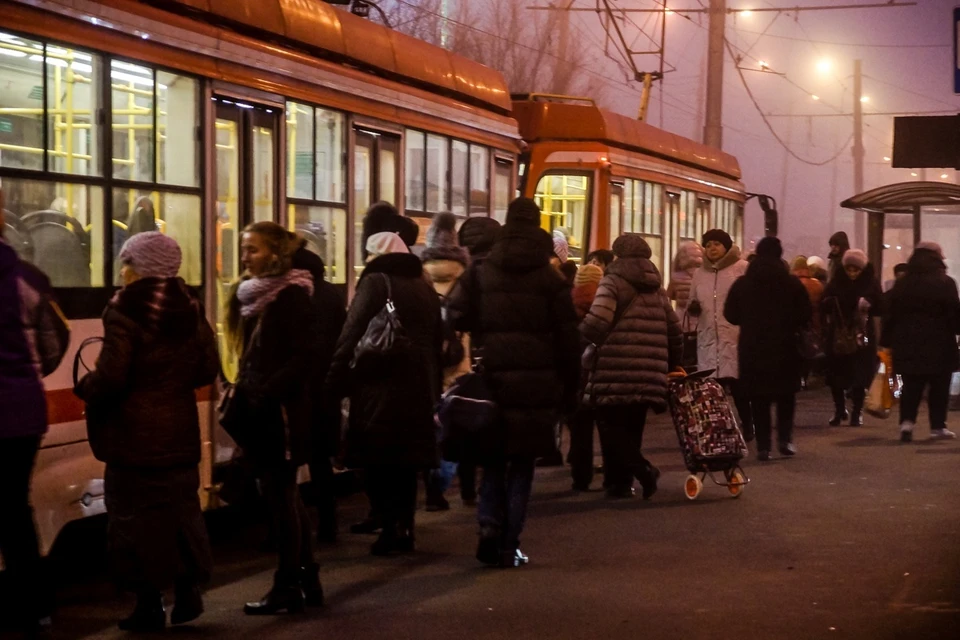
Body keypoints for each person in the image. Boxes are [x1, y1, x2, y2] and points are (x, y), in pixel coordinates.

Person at [74, 232, 218, 630]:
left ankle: (148, 604)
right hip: (178, 432)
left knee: (132, 522)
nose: (123, 271)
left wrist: (87, 387)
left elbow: (112, 375)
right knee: (182, 513)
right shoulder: (190, 306)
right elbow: (208, 368)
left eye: (127, 262)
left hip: (132, 437)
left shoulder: (124, 309)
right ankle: (188, 589)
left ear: (141, 267)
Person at [448, 197, 580, 568]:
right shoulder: (551, 279)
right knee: (522, 465)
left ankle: (489, 525)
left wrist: (481, 330)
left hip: (493, 381)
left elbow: (454, 313)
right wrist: (570, 390)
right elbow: (570, 341)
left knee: (493, 459)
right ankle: (510, 545)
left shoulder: (481, 271)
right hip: (538, 386)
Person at [225, 222, 321, 615]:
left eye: (254, 250)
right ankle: (306, 579)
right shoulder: (259, 296)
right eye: (244, 249)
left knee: (281, 499)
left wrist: (266, 390)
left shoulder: (290, 297)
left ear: (276, 255)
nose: (245, 257)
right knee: (286, 496)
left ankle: (288, 585)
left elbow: (304, 357)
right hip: (268, 409)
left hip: (279, 414)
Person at [328, 232, 442, 556]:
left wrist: (334, 380)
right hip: (420, 384)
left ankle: (390, 528)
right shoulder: (423, 283)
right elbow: (438, 337)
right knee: (405, 463)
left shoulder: (376, 281)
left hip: (381, 384)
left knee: (379, 459)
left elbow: (351, 332)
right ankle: (405, 527)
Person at [0, 188, 69, 637]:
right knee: (14, 510)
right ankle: (34, 607)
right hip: (22, 410)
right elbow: (53, 344)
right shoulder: (29, 278)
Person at [580, 234, 682, 497]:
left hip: (614, 365)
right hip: (649, 369)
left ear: (617, 255)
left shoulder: (611, 281)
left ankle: (640, 470)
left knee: (610, 424)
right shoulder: (657, 288)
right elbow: (674, 330)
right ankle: (620, 483)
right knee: (632, 427)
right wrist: (672, 362)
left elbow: (597, 322)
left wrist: (579, 337)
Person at [725, 238, 812, 461]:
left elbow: (730, 315)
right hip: (785, 347)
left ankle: (763, 446)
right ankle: (785, 440)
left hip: (752, 348)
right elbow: (805, 314)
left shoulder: (743, 284)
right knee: (785, 396)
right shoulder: (792, 283)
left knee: (758, 398)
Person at [291, 241, 346, 545]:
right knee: (320, 460)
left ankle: (285, 531)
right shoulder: (332, 294)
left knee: (286, 461)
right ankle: (328, 524)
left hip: (300, 387)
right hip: (326, 386)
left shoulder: (294, 295)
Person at [881, 242, 960, 442]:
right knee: (939, 386)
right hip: (939, 343)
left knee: (911, 385)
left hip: (907, 342)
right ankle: (937, 426)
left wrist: (886, 340)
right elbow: (953, 314)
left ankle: (907, 423)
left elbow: (891, 314)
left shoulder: (903, 283)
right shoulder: (945, 282)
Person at [421, 212, 470, 512]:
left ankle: (430, 486)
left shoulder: (421, 275)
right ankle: (442, 484)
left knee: (432, 429)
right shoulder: (464, 276)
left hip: (429, 364)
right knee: (454, 429)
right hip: (458, 363)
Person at [451, 216, 502, 506]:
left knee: (467, 418)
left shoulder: (468, 274)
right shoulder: (506, 272)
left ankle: (469, 488)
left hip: (471, 358)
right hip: (504, 361)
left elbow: (454, 314)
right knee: (495, 425)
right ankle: (491, 489)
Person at [688, 229, 752, 439]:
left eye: (716, 244)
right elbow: (691, 301)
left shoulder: (741, 268)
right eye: (707, 245)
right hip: (708, 337)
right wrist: (694, 308)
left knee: (739, 386)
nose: (712, 248)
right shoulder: (699, 273)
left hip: (734, 336)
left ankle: (747, 424)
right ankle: (718, 429)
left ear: (726, 246)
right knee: (711, 390)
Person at [820, 249, 883, 427]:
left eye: (856, 270)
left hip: (861, 335)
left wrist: (869, 304)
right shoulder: (836, 282)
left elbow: (881, 306)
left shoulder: (871, 283)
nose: (852, 273)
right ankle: (839, 410)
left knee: (859, 376)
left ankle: (856, 412)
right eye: (849, 269)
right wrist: (829, 303)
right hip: (839, 334)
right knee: (836, 375)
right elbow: (823, 303)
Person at [569, 262, 604, 491]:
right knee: (606, 425)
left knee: (579, 429)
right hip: (601, 370)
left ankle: (580, 477)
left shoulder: (568, 299)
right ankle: (614, 475)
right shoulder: (603, 301)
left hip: (575, 370)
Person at [791, 255, 825, 389]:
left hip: (796, 324)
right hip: (814, 322)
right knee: (809, 350)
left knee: (797, 352)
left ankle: (799, 378)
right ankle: (806, 376)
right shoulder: (817, 284)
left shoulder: (792, 283)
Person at [666, 241, 703, 315]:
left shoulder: (676, 277)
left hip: (682, 316)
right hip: (701, 317)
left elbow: (670, 295)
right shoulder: (706, 275)